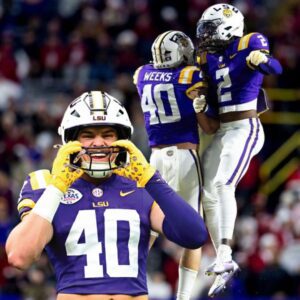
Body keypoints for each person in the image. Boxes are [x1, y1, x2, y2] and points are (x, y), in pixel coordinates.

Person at [5, 91, 208, 300]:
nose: (99, 143)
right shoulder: (46, 183)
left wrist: (150, 177)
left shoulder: (141, 184)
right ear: (70, 140)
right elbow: (19, 256)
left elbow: (194, 235)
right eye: (88, 135)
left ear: (122, 140)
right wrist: (58, 186)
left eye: (107, 134)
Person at [194, 3, 283, 297]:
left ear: (228, 26)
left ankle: (226, 254)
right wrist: (201, 103)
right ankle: (220, 252)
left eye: (210, 29)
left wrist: (262, 60)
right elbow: (210, 116)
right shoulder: (210, 57)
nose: (205, 36)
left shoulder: (249, 43)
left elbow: (276, 67)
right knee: (206, 190)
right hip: (222, 131)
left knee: (222, 183)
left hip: (245, 127)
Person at [133, 31, 216, 300]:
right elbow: (208, 123)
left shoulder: (141, 74)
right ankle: (183, 297)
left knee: (147, 226)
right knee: (194, 232)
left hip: (154, 159)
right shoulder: (190, 75)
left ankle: (126, 281)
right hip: (184, 157)